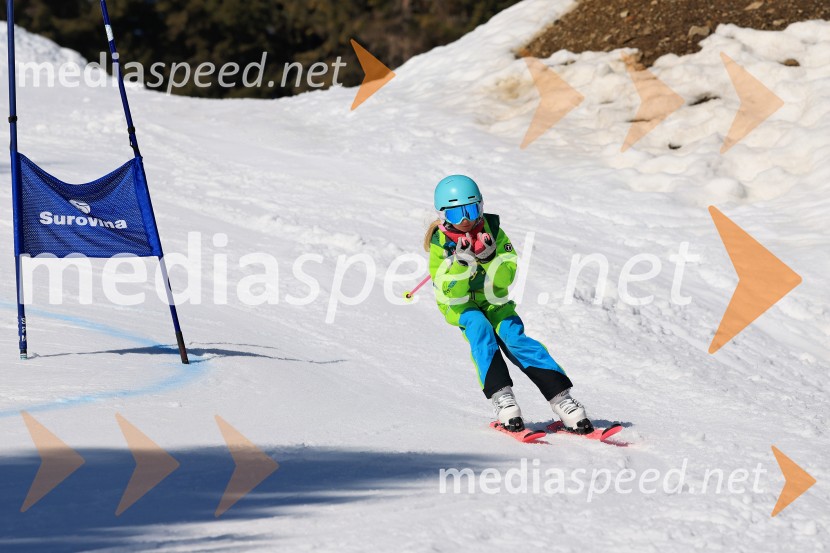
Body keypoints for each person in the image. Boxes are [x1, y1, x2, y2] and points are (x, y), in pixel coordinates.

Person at [424, 175, 593, 434]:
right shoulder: (440, 244)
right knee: (480, 329)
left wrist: (490, 258)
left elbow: (507, 276)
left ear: (481, 206)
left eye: (470, 210)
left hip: (494, 301)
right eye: (456, 215)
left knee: (515, 337)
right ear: (443, 215)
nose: (465, 220)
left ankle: (562, 400)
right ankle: (504, 400)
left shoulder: (493, 232)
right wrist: (461, 262)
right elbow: (448, 290)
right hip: (460, 305)